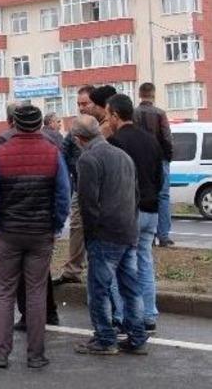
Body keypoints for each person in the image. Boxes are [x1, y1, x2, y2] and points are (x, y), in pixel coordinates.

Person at [0, 105, 70, 369]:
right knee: (35, 293)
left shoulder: (0, 153)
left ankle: (1, 352)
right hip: (40, 233)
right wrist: (54, 226)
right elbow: (63, 197)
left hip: (8, 232)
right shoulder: (53, 153)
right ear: (38, 125)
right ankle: (35, 354)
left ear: (16, 125)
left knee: (5, 292)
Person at [71, 115, 149, 356]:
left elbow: (88, 203)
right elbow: (135, 195)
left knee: (100, 289)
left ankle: (105, 338)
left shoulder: (88, 158)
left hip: (105, 233)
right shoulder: (123, 156)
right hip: (128, 230)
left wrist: (92, 235)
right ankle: (137, 337)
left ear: (78, 138)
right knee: (131, 287)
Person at [0, 105, 61, 331]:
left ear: (11, 120)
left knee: (10, 287)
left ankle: (7, 343)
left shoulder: (4, 142)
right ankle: (46, 319)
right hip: (42, 223)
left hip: (11, 224)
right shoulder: (52, 143)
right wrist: (56, 223)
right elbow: (61, 189)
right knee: (39, 280)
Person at [106, 94, 163, 332]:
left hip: (130, 211)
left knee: (123, 267)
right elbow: (160, 177)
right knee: (145, 262)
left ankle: (124, 316)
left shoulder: (116, 142)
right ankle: (149, 315)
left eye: (108, 115)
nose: (107, 120)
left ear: (116, 116)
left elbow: (116, 181)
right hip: (152, 209)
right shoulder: (151, 140)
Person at [54, 85, 95, 286]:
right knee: (77, 227)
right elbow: (62, 151)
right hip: (80, 186)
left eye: (85, 103)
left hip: (102, 190)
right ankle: (73, 270)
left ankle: (96, 268)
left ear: (94, 103)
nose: (81, 107)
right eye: (79, 104)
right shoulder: (75, 129)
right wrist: (70, 172)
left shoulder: (102, 127)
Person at [134, 82, 175, 247]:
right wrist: (168, 157)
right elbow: (167, 138)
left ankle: (146, 235)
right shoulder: (160, 114)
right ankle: (163, 236)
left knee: (140, 194)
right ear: (154, 94)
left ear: (140, 94)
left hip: (139, 161)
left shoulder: (133, 114)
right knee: (163, 196)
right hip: (159, 159)